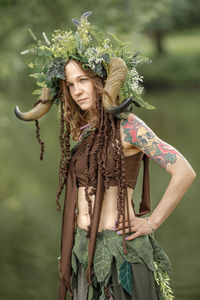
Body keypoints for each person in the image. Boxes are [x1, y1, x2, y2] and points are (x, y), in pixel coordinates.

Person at [15, 12, 196, 300]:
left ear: (101, 80)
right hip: (84, 252)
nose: (76, 91)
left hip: (121, 251)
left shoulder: (129, 126)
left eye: (83, 80)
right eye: (70, 85)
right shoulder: (84, 132)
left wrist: (152, 222)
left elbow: (185, 171)